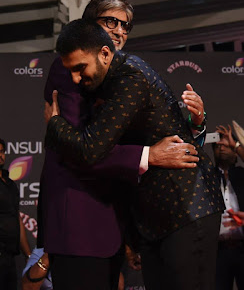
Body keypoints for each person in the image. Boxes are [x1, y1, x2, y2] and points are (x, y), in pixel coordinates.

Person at [45, 19, 225, 290]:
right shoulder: (109, 78)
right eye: (71, 71)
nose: (75, 79)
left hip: (187, 207)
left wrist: (55, 124)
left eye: (80, 68)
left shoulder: (130, 75)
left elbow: (91, 148)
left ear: (104, 53)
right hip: (155, 217)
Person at [213, 125, 244, 290]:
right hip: (218, 251)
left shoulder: (241, 174)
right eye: (218, 145)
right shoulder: (208, 176)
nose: (222, 147)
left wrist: (236, 145)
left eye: (226, 145)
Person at [0, 138, 31, 290]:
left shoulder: (10, 183)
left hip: (10, 257)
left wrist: (28, 255)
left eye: (1, 151)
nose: (0, 155)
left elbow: (17, 219)